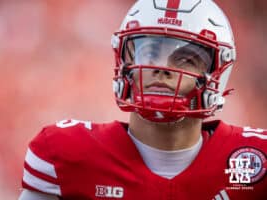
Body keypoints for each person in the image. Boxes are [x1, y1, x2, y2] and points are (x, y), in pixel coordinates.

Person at [19, 0, 267, 199]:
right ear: (125, 63)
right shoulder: (66, 154)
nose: (161, 68)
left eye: (186, 60)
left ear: (216, 74)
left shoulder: (255, 161)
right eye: (149, 52)